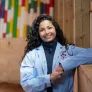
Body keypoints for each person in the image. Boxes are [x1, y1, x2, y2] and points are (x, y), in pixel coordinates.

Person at [20, 14, 92, 92]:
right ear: (38, 34)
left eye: (49, 28)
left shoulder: (69, 50)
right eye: (42, 30)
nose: (47, 32)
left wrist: (64, 65)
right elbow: (26, 84)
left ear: (55, 29)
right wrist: (50, 78)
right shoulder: (31, 55)